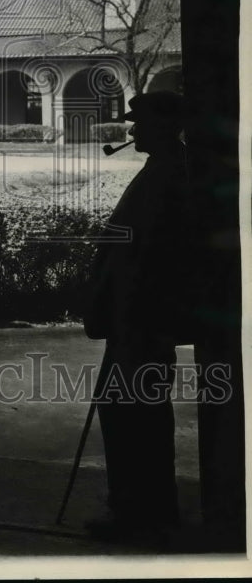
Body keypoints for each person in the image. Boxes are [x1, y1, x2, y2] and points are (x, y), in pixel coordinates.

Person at [84, 90, 195, 543]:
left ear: (165, 126)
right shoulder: (164, 170)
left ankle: (138, 513)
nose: (132, 130)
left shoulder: (170, 175)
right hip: (135, 321)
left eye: (141, 122)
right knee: (131, 412)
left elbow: (149, 259)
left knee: (134, 417)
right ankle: (145, 508)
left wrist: (122, 316)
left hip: (140, 322)